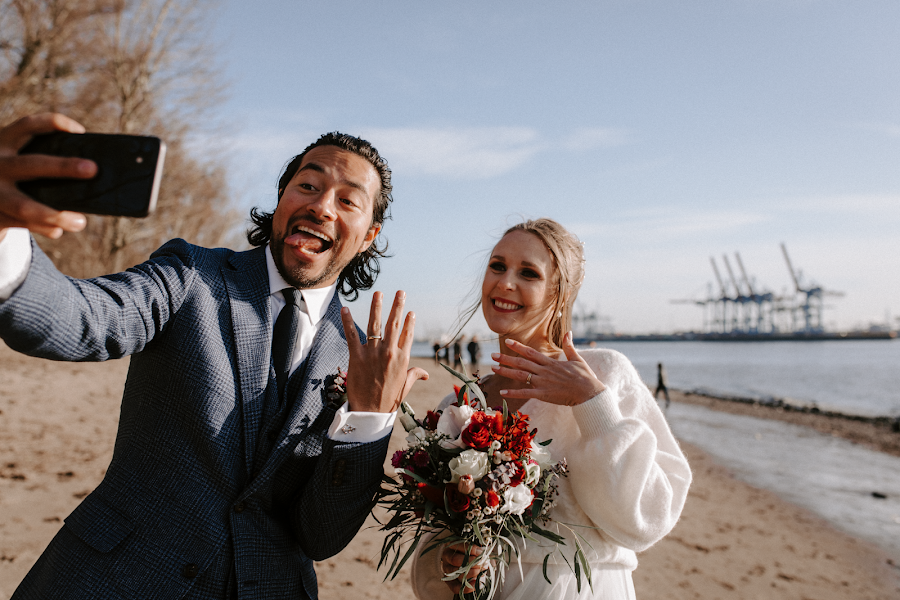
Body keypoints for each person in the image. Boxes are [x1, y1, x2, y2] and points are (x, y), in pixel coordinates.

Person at [0, 113, 428, 600]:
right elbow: (82, 318)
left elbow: (321, 535)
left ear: (368, 236)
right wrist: (3, 237)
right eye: (307, 185)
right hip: (113, 582)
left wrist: (370, 418)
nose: (322, 206)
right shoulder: (189, 275)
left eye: (348, 199)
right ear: (282, 198)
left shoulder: (358, 356)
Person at [409, 218, 692, 600]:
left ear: (559, 293)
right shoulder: (460, 406)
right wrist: (455, 560)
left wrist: (592, 405)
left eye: (528, 273)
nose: (505, 282)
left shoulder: (603, 373)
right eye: (497, 266)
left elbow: (647, 519)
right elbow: (435, 545)